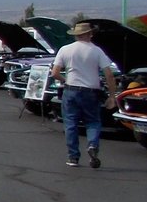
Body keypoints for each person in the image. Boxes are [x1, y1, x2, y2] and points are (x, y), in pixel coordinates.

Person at [50, 21, 119, 168]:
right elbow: (109, 75)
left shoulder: (65, 49)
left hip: (71, 90)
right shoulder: (97, 51)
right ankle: (92, 145)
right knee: (93, 121)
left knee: (70, 124)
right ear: (90, 34)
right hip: (91, 91)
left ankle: (73, 157)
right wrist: (112, 96)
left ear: (76, 35)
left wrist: (65, 80)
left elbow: (55, 73)